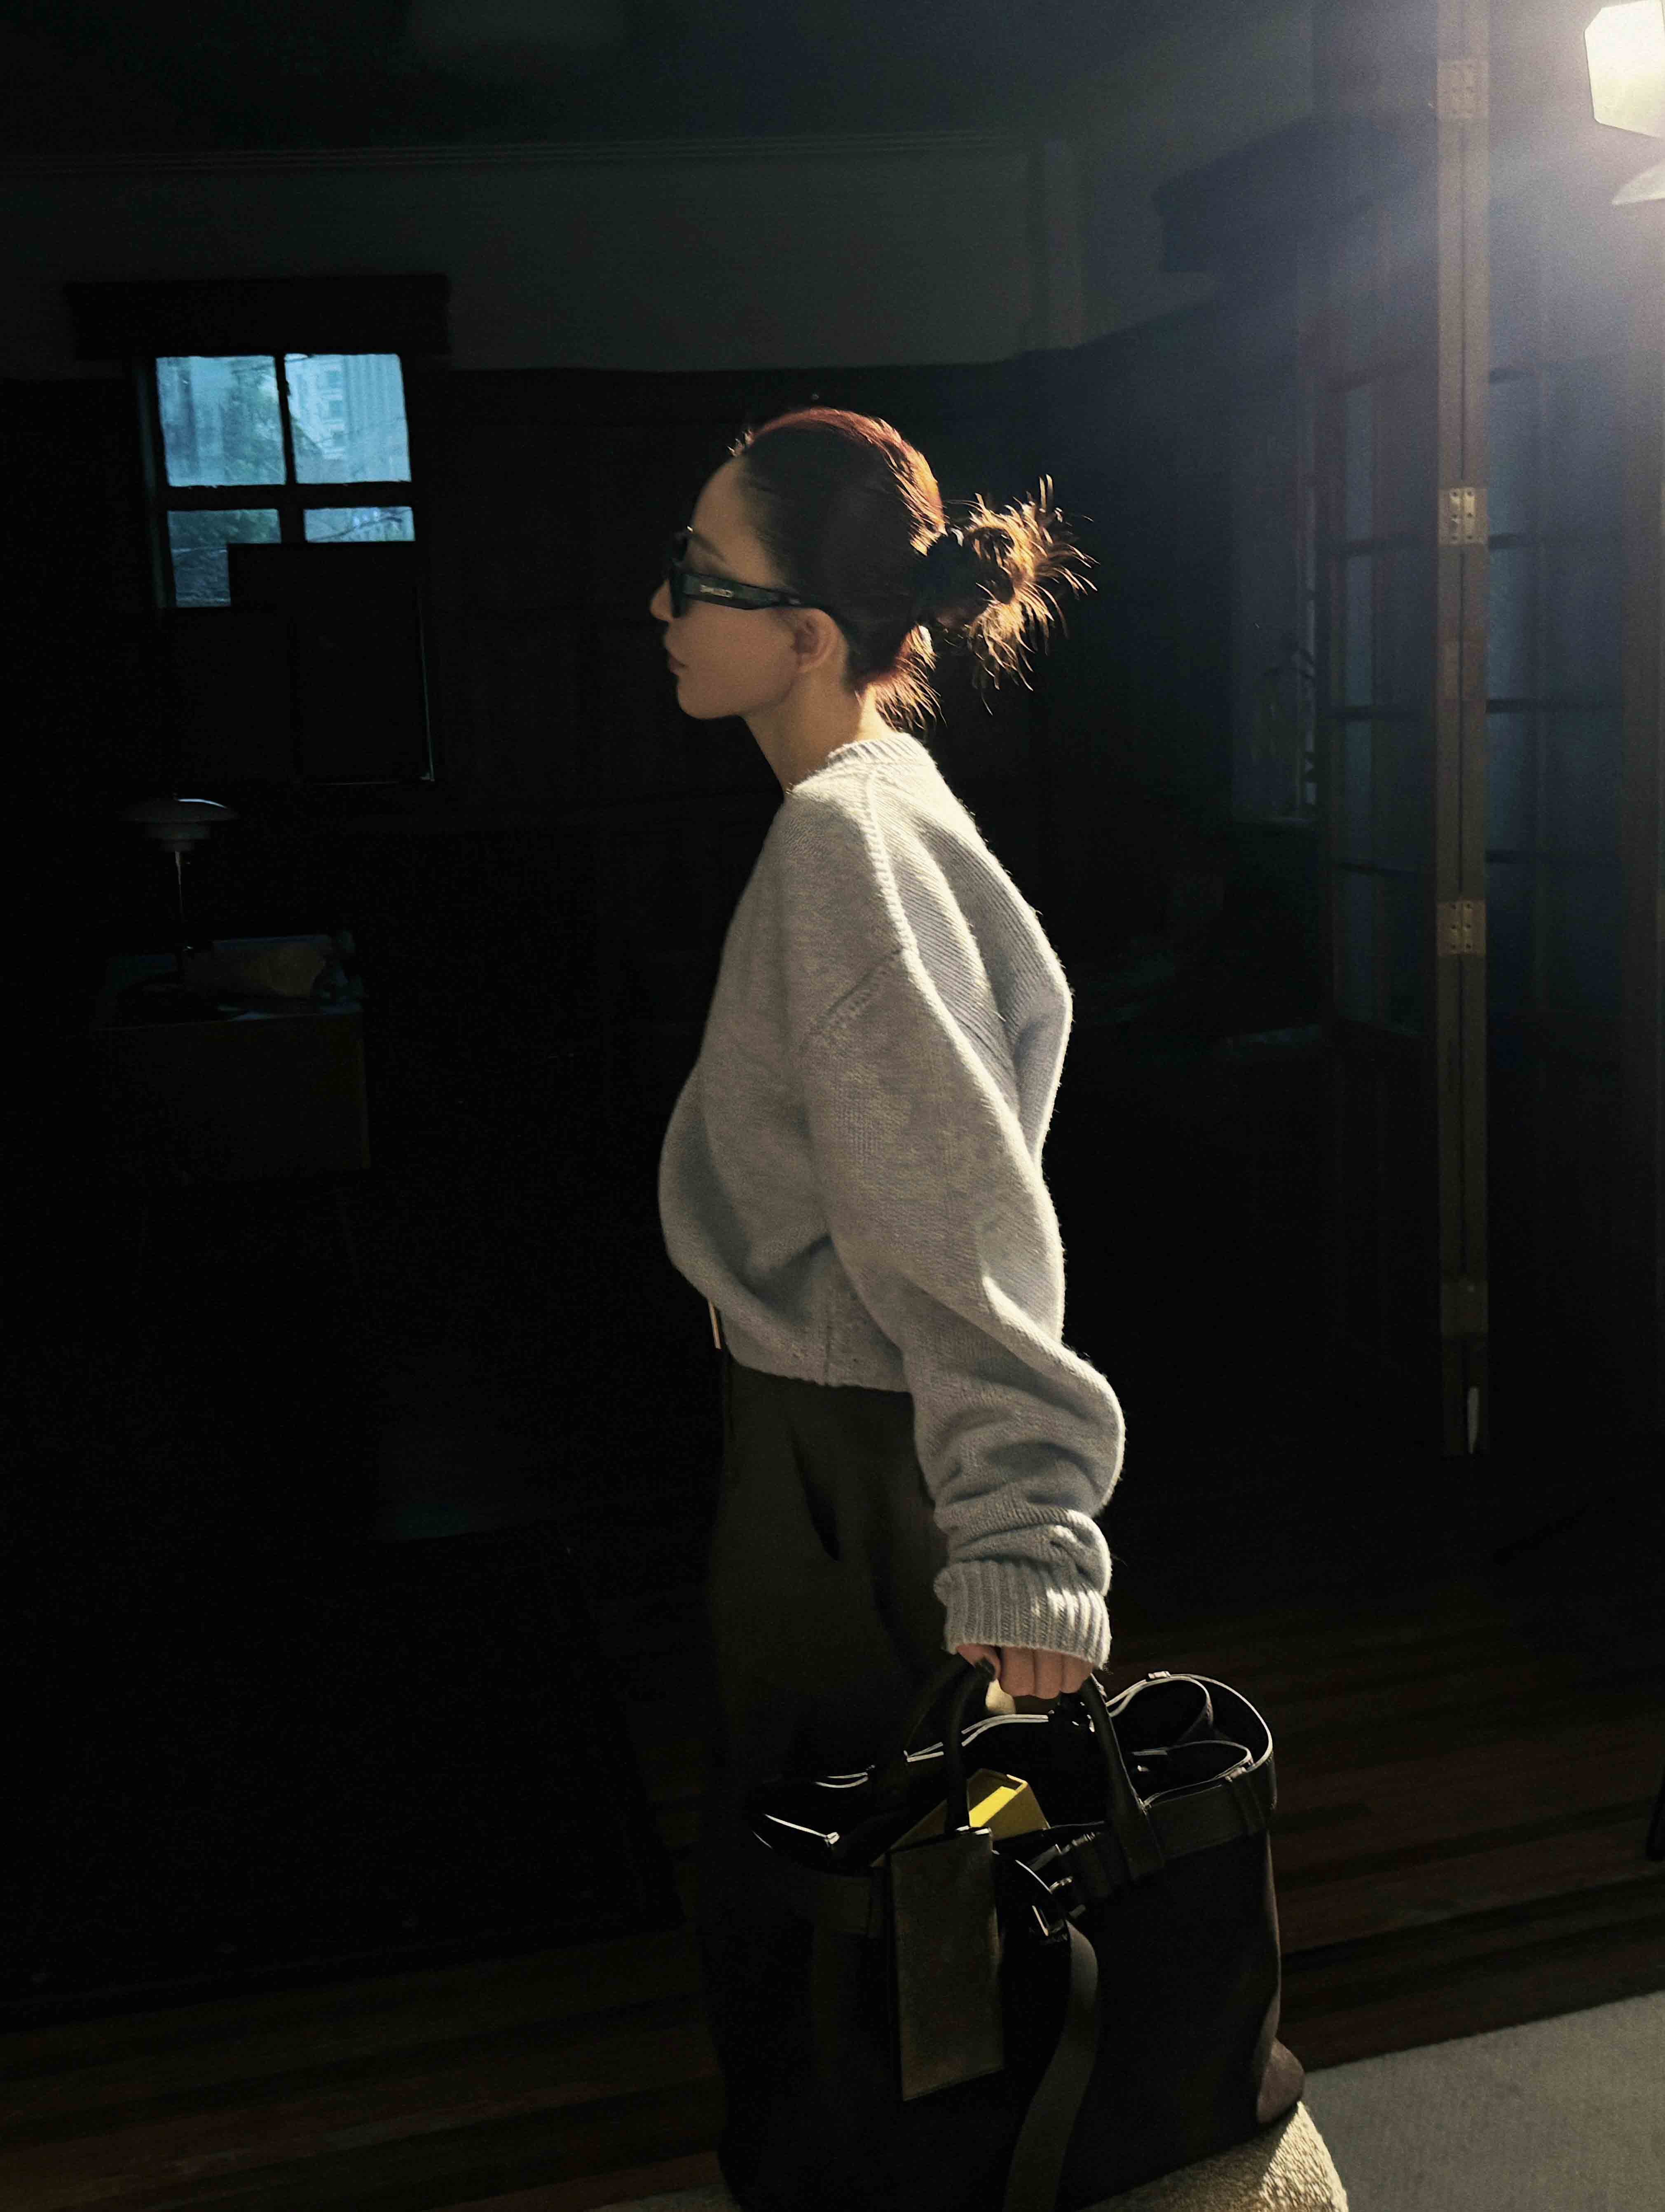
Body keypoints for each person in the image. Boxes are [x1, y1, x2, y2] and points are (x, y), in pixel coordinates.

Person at [651, 407, 1126, 2207]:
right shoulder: (880, 796)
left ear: (804, 634)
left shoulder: (842, 847)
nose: (661, 607)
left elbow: (960, 1212)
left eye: (698, 575)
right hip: (842, 1432)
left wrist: (1026, 1525)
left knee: (843, 1896)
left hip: (847, 1458)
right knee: (896, 1889)